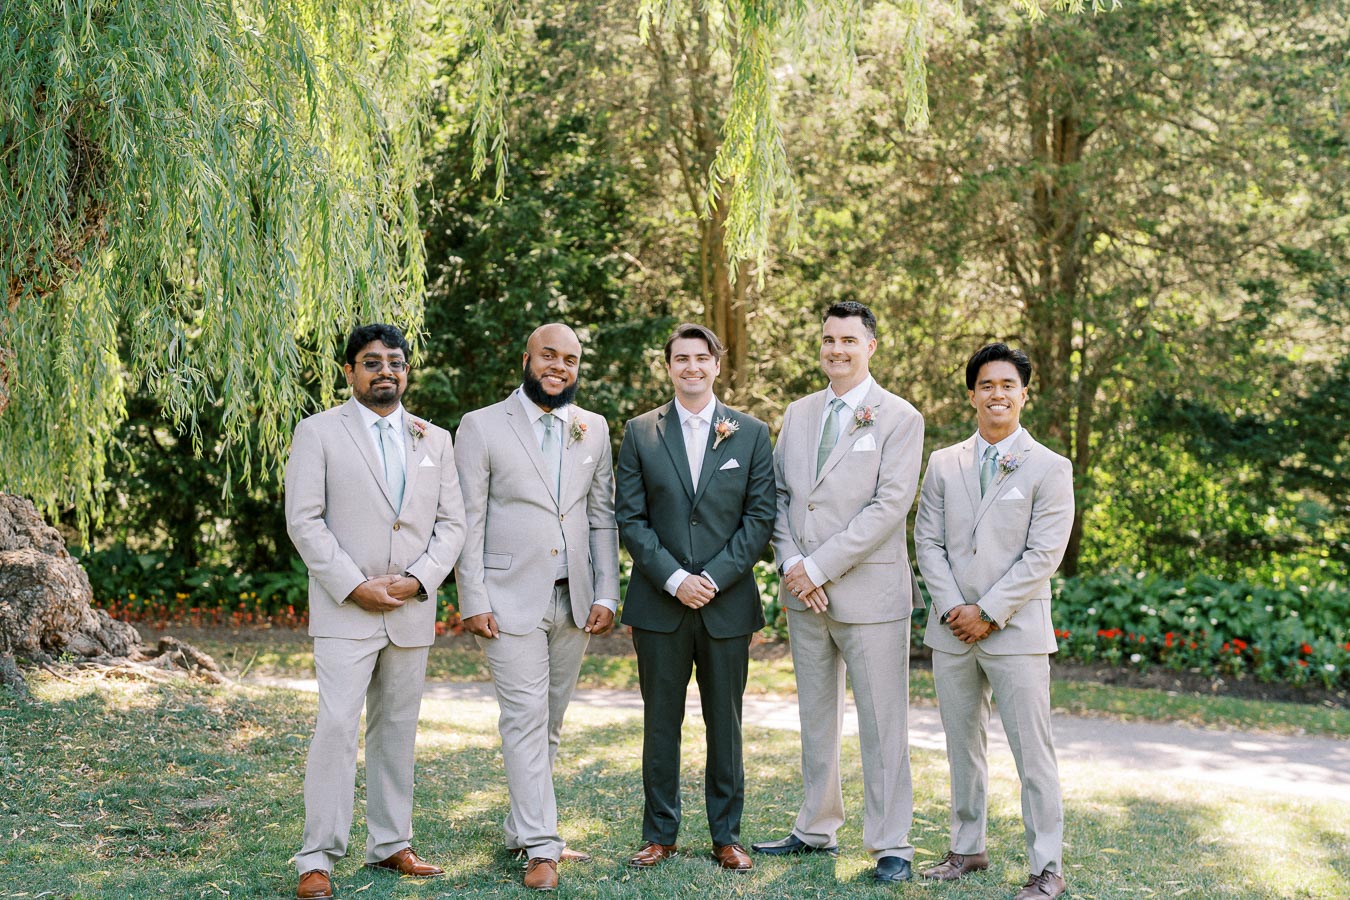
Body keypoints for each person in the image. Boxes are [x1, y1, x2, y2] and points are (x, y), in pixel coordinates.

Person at [285, 323, 466, 900]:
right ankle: (317, 857)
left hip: (410, 610)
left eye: (395, 361)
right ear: (350, 372)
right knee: (337, 729)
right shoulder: (317, 433)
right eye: (371, 362)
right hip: (346, 611)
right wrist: (354, 585)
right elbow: (304, 521)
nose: (385, 370)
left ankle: (391, 843)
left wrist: (419, 580)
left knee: (397, 731)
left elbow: (452, 524)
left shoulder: (434, 439)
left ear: (406, 370)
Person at [754, 301, 924, 883]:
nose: (837, 350)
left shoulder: (900, 417)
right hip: (804, 594)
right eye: (829, 339)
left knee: (883, 722)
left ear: (870, 347)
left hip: (869, 595)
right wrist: (794, 563)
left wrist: (820, 566)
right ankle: (815, 827)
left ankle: (891, 843)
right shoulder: (798, 413)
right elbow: (776, 495)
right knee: (815, 717)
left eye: (849, 340)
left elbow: (889, 505)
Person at [453, 323, 620, 892]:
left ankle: (521, 828)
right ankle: (543, 847)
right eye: (549, 355)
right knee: (524, 718)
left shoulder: (591, 427)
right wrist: (471, 597)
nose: (560, 367)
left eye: (571, 359)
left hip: (573, 599)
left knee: (548, 722)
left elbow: (601, 516)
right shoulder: (479, 426)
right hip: (505, 597)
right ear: (526, 358)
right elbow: (467, 519)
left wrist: (606, 592)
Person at [914, 342, 1074, 900]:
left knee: (1033, 752)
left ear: (1024, 394)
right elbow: (926, 541)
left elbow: (1044, 553)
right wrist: (956, 608)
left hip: (1017, 631)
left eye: (1007, 384)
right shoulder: (943, 462)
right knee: (962, 746)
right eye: (986, 385)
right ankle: (967, 848)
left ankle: (1047, 866)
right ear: (971, 396)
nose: (997, 393)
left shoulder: (1051, 467)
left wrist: (988, 612)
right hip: (952, 630)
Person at [614, 323, 775, 873]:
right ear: (669, 367)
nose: (691, 367)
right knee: (661, 722)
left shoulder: (750, 433)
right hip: (660, 603)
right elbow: (630, 519)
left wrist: (712, 578)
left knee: (724, 724)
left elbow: (759, 519)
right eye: (680, 358)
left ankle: (726, 836)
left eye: (701, 358)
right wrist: (674, 579)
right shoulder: (640, 432)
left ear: (717, 365)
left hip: (726, 603)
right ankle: (660, 834)